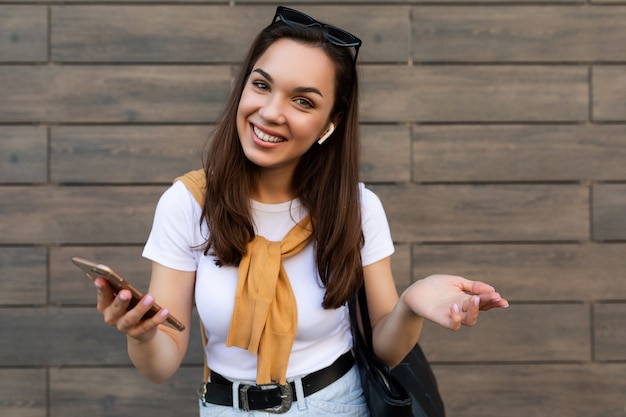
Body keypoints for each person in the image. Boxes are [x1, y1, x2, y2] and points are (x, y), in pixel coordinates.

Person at [92, 6, 509, 416]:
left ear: (331, 123)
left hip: (337, 405)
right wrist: (143, 336)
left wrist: (410, 306)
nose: (271, 112)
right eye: (261, 85)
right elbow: (162, 366)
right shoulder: (188, 202)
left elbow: (385, 346)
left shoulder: (357, 207)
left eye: (303, 102)